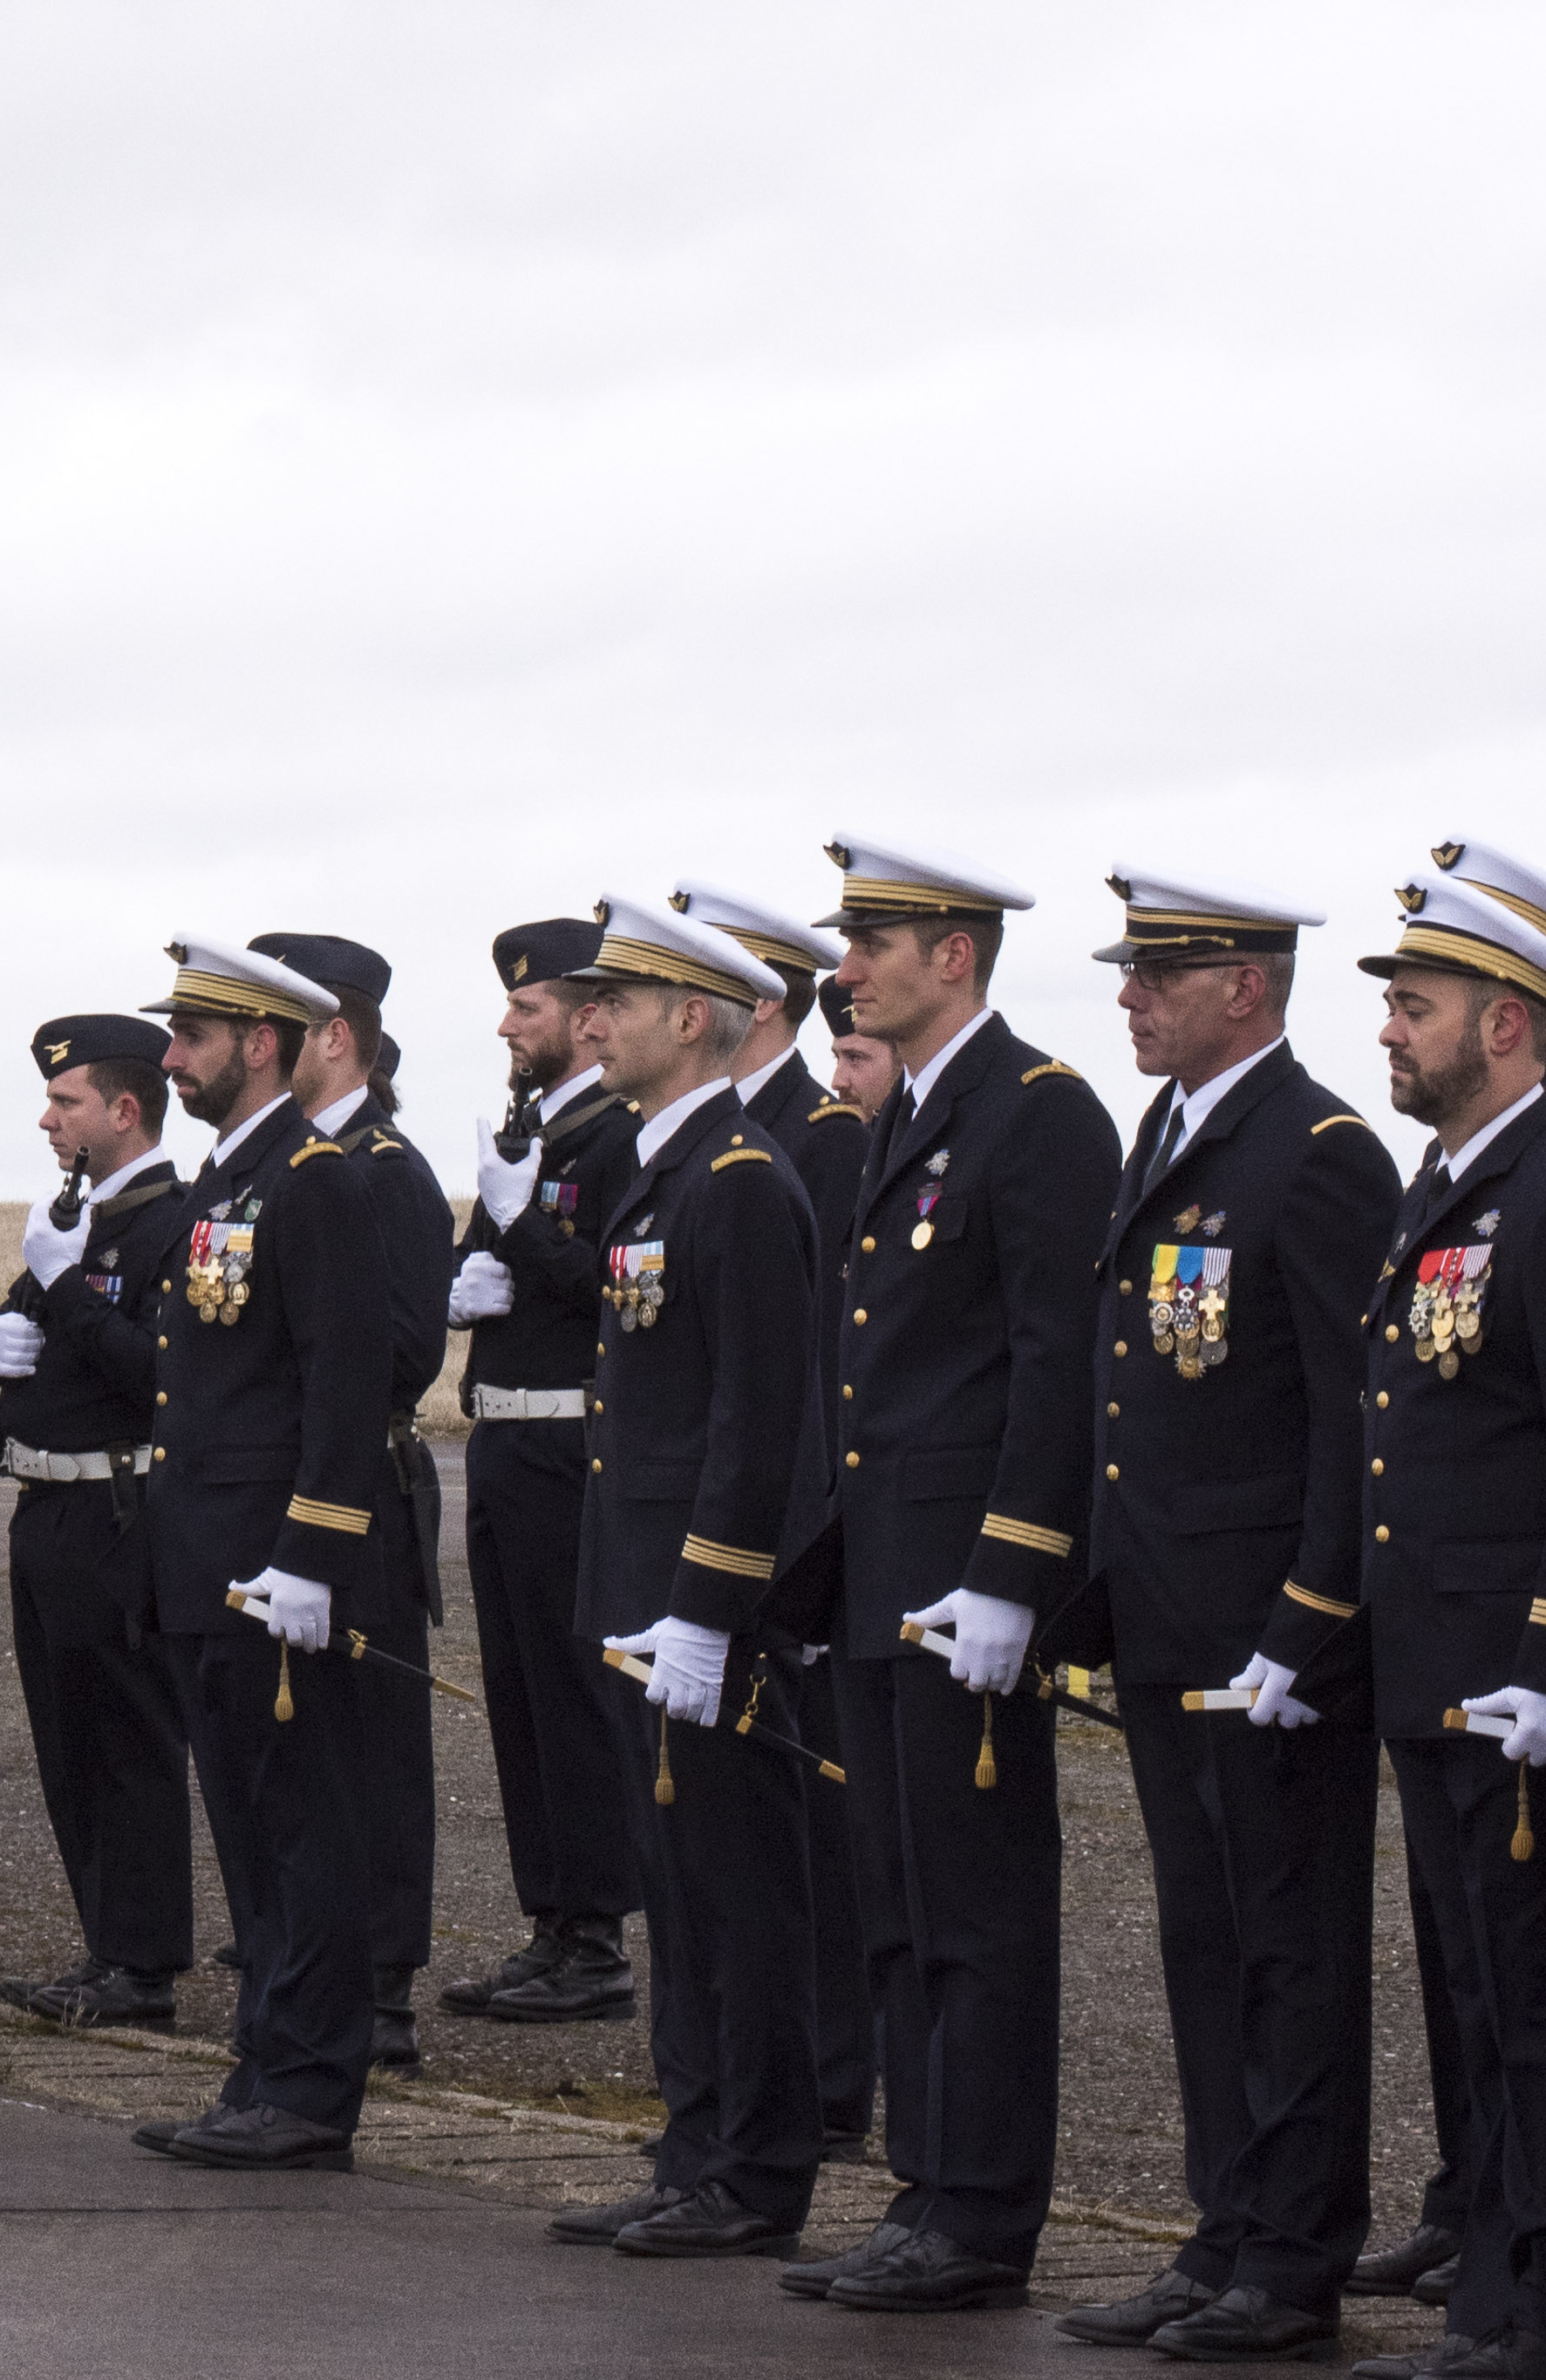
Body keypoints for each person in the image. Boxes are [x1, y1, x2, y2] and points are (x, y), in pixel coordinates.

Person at [1222, 843, 1546, 2380]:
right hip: (1434, 1664)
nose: (1391, 1031)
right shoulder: (1461, 1177)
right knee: (1479, 1990)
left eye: (1416, 1004)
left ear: (1511, 1024)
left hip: (1513, 1675)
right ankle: (1497, 2280)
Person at [1054, 872, 1402, 2365]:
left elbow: (1350, 1418)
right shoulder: (1173, 1131)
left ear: (1246, 987)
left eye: (1159, 974)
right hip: (1168, 1617)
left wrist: (1309, 1617)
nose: (1130, 995)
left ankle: (1291, 2253)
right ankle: (1222, 2226)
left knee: (1290, 1945)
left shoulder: (1317, 1153)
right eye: (1131, 973)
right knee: (1204, 1936)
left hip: (1270, 1631)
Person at [774, 835, 1116, 2318]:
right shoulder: (912, 1113)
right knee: (900, 1902)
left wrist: (1015, 1569)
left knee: (976, 1911)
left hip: (962, 1586)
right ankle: (926, 2187)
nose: (846, 969)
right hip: (882, 1575)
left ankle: (981, 2212)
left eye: (872, 943)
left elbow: (1059, 1361)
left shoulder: (1034, 1114)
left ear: (952, 956)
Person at [543, 896, 822, 2261]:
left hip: (697, 1611)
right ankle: (693, 2145)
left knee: (736, 1892)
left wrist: (709, 1609)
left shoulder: (741, 1182)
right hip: (639, 1592)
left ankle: (756, 2170)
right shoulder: (661, 1172)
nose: (593, 1022)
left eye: (621, 1004)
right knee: (681, 1886)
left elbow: (758, 1422)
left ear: (697, 1020)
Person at [130, 930, 401, 2172]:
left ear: (264, 1043)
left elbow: (345, 1384)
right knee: (247, 1823)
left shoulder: (316, 1178)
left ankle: (307, 2087)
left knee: (306, 1823)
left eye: (193, 1037)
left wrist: (314, 1550)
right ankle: (262, 2060)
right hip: (205, 1552)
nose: (174, 1056)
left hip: (274, 1563)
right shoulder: (222, 1184)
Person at [684, 874, 894, 2181]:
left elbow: (819, 1369)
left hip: (799, 1532)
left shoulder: (817, 1139)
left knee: (811, 1821)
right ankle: (771, 2077)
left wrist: (806, 1550)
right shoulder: (718, 1143)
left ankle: (829, 2074)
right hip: (752, 1525)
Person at [0, 1009, 204, 2027]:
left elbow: (163, 1372)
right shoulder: (76, 1216)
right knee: (68, 1744)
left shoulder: (173, 1221)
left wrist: (69, 1292)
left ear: (124, 1108)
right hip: (49, 1508)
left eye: (64, 1102)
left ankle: (145, 1963)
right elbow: (32, 1320)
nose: (46, 1119)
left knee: (128, 1744)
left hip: (119, 1510)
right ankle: (105, 1945)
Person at [454, 915, 648, 2028]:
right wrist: (462, 1277)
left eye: (523, 1008)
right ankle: (552, 1918)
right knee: (521, 1695)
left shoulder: (620, 1137)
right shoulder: (533, 1133)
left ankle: (593, 1934)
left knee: (573, 1697)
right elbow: (495, 1252)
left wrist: (524, 1237)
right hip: (505, 1438)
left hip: (572, 1440)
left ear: (582, 1017)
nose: (504, 1023)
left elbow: (622, 1289)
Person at [283, 936, 446, 2070]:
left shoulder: (385, 1171)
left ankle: (384, 1979)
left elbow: (401, 1351)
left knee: (376, 1738)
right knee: (301, 1737)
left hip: (364, 1487)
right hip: (289, 1480)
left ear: (336, 1036)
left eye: (273, 1023)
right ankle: (317, 1949)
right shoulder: (287, 1168)